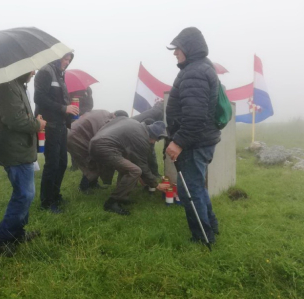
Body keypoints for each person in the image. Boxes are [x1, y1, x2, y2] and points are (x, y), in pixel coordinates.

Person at [165, 27, 221, 245]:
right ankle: (211, 227)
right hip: (201, 140)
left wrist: (178, 142)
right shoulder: (201, 68)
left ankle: (202, 238)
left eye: (177, 48)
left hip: (194, 142)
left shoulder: (195, 71)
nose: (174, 53)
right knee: (197, 185)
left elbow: (195, 115)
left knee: (189, 188)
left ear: (188, 47)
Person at [0, 71, 46, 257]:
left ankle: (17, 233)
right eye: (31, 68)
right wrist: (38, 125)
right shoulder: (7, 85)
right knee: (24, 195)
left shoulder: (16, 84)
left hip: (20, 147)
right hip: (14, 149)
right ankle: (0, 239)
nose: (34, 72)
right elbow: (15, 120)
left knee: (24, 194)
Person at [90, 118, 167, 215]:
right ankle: (111, 202)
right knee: (135, 171)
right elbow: (142, 165)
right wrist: (156, 184)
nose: (154, 142)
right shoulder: (141, 137)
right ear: (154, 136)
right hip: (104, 148)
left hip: (96, 142)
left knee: (128, 167)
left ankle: (122, 197)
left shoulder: (137, 126)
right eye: (156, 140)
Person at [34, 53, 79, 213]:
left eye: (69, 60)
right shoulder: (45, 72)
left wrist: (69, 109)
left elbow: (58, 98)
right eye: (65, 59)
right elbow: (39, 98)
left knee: (62, 163)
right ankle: (46, 203)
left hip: (60, 124)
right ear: (57, 57)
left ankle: (55, 195)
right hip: (50, 125)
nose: (67, 63)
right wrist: (63, 108)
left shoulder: (59, 73)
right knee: (52, 164)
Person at [67, 110, 127, 194]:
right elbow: (100, 139)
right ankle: (83, 187)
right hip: (76, 138)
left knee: (95, 159)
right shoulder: (108, 121)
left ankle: (93, 184)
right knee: (90, 161)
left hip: (73, 132)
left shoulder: (104, 113)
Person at [132, 101, 165, 178]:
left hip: (135, 132)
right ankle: (153, 175)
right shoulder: (160, 113)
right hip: (141, 133)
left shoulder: (153, 110)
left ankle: (142, 176)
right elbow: (150, 123)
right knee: (149, 154)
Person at [68, 86, 94, 171]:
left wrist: (80, 112)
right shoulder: (68, 89)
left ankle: (85, 163)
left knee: (84, 141)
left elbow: (89, 105)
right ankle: (74, 164)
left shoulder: (87, 89)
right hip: (70, 119)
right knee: (73, 142)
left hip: (83, 119)